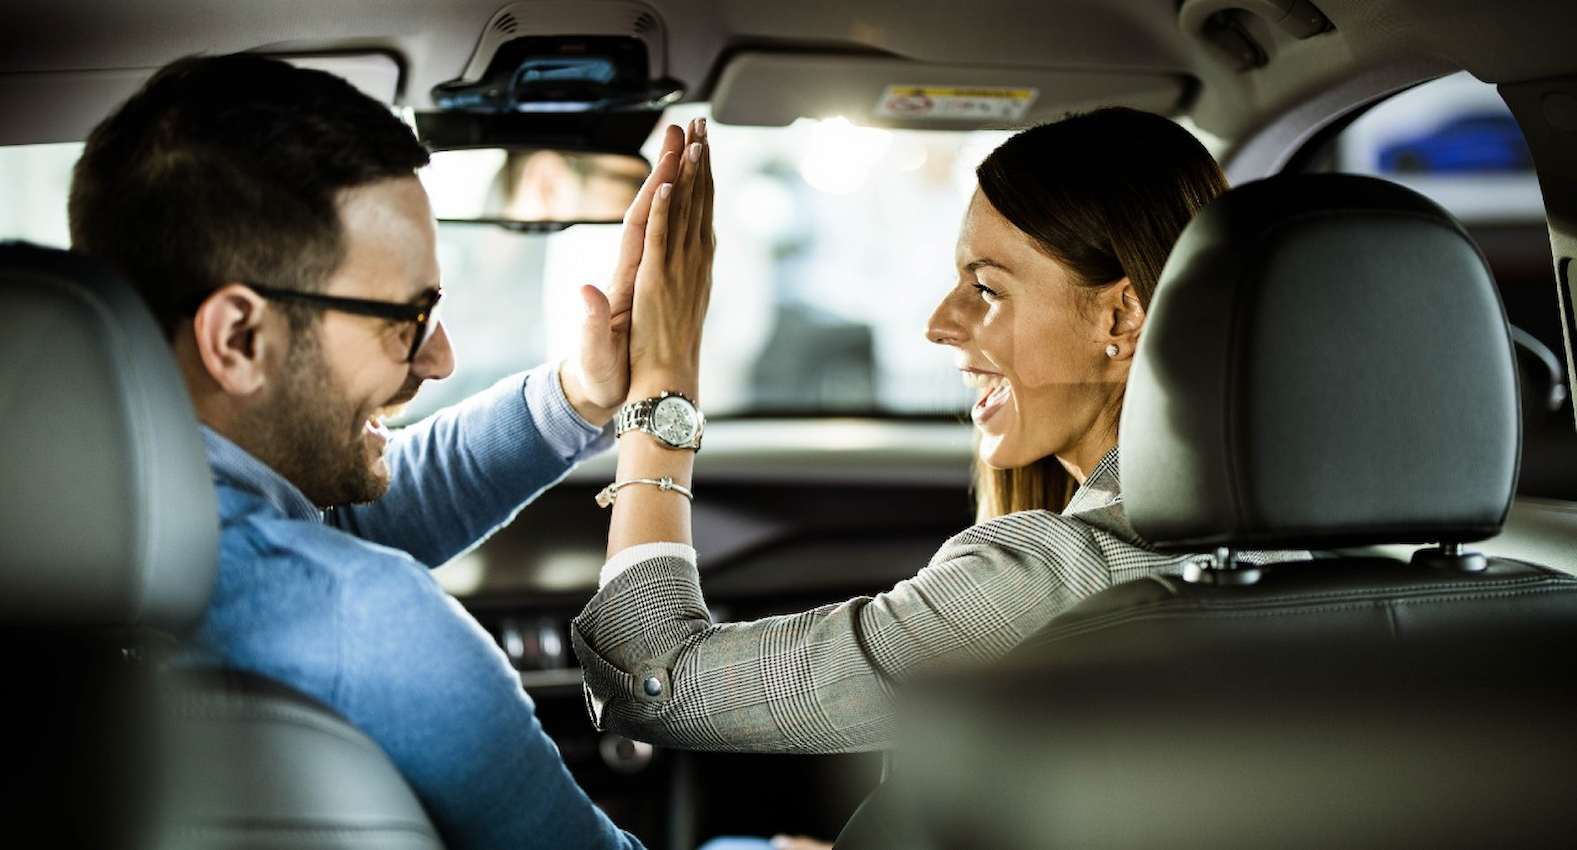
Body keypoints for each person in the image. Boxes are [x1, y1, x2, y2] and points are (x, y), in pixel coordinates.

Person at [68, 52, 692, 849]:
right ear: (239, 338)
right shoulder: (366, 625)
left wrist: (577, 395)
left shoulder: (93, 534)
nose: (439, 360)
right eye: (407, 318)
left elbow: (338, 523)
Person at [572, 107, 1311, 754]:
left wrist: (660, 382)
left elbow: (655, 678)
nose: (937, 324)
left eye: (984, 288)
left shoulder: (1061, 582)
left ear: (1119, 317)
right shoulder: (1345, 563)